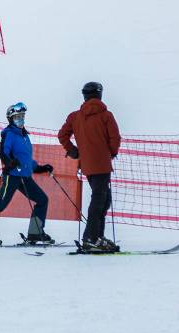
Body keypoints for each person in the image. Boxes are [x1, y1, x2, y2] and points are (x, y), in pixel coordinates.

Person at [0, 102, 54, 246]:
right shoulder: (9, 133)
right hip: (12, 176)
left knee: (42, 200)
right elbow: (3, 152)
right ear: (11, 119)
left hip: (25, 177)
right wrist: (10, 162)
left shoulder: (24, 136)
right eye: (17, 117)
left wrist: (40, 168)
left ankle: (35, 233)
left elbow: (26, 158)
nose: (21, 119)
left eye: (22, 116)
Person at [58, 81, 122, 252]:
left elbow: (62, 135)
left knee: (102, 199)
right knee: (100, 200)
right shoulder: (106, 115)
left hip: (87, 164)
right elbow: (115, 138)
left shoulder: (75, 116)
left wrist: (73, 151)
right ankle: (91, 238)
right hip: (102, 163)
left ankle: (97, 237)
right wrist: (111, 153)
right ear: (99, 94)